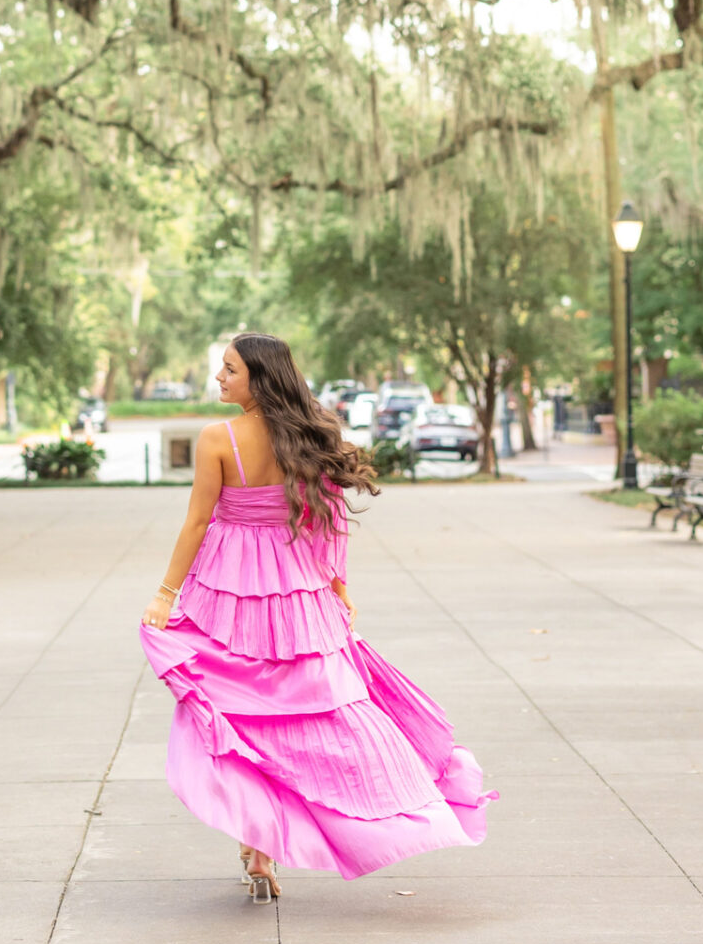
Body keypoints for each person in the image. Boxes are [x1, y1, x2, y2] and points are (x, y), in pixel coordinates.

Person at [140, 331, 496, 902]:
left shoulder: (217, 439)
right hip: (295, 587)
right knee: (303, 715)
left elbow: (197, 523)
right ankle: (266, 846)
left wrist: (164, 593)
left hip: (229, 589)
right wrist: (337, 584)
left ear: (259, 377)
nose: (220, 378)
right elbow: (325, 516)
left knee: (238, 715)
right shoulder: (308, 434)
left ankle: (259, 846)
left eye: (229, 370)